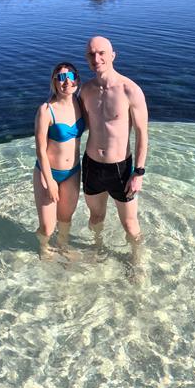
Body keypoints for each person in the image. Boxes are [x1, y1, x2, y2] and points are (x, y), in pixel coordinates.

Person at [79, 35, 148, 251]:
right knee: (96, 217)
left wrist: (138, 172)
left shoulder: (130, 90)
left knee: (130, 224)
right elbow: (82, 126)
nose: (96, 58)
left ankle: (136, 262)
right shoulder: (86, 90)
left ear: (113, 56)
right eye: (91, 54)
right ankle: (97, 249)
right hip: (91, 166)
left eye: (101, 53)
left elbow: (142, 133)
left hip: (121, 169)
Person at [33, 62, 85, 254]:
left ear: (77, 80)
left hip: (72, 172)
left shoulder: (80, 103)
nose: (66, 82)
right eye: (61, 77)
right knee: (47, 227)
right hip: (48, 173)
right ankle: (43, 248)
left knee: (65, 221)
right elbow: (40, 150)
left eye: (71, 76)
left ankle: (62, 246)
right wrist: (49, 181)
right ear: (54, 82)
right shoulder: (46, 110)